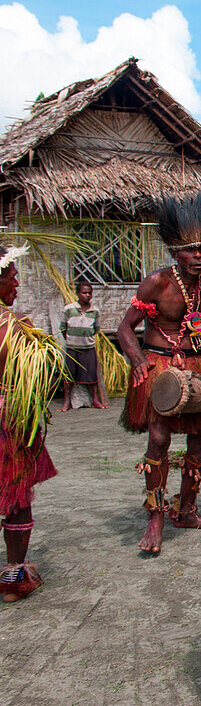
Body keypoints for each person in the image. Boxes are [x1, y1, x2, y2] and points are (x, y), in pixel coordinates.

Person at [117, 196, 201, 554]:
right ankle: (155, 515)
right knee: (159, 437)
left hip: (197, 367)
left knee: (200, 439)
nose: (200, 256)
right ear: (175, 254)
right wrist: (137, 359)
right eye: (192, 251)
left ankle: (188, 510)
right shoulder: (156, 284)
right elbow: (124, 329)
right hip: (159, 366)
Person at [0, 246, 61, 602]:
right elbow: (44, 382)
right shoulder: (17, 327)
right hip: (9, 419)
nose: (18, 283)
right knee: (16, 497)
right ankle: (12, 579)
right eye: (12, 277)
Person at [60, 280, 106, 411]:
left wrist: (85, 338)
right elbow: (63, 328)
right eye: (84, 292)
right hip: (72, 348)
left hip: (88, 348)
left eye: (89, 293)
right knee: (69, 376)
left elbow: (96, 330)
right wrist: (71, 340)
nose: (87, 295)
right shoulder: (69, 309)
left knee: (91, 375)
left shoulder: (95, 311)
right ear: (78, 294)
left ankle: (95, 400)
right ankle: (67, 401)